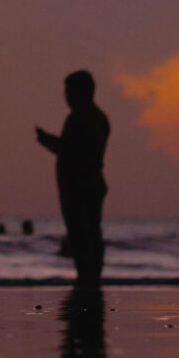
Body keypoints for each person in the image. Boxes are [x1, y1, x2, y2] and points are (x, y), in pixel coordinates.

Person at [36, 71, 112, 284]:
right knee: (87, 234)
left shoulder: (82, 118)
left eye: (70, 91)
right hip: (85, 186)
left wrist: (47, 140)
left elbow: (72, 151)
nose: (66, 96)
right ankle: (89, 277)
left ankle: (88, 278)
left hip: (80, 187)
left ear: (83, 91)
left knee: (83, 235)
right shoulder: (94, 118)